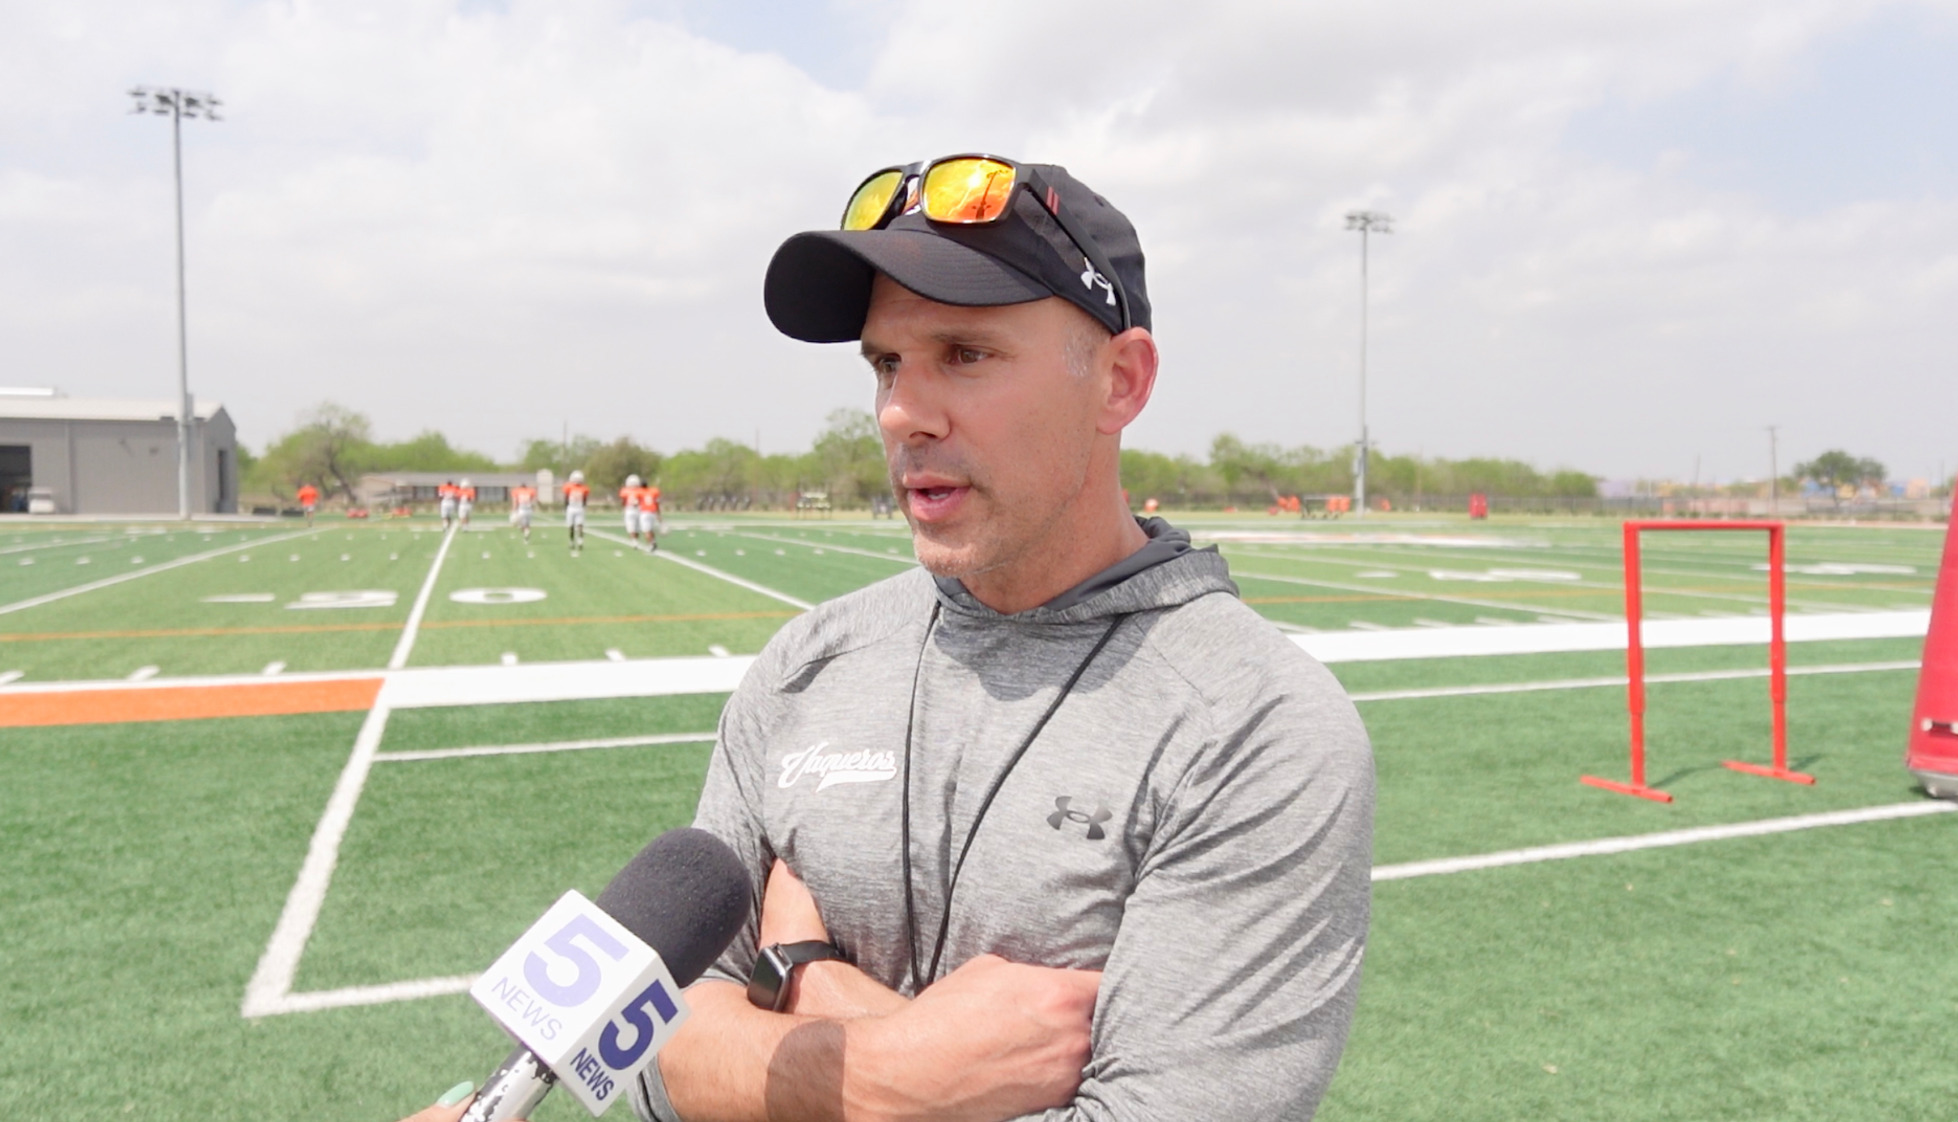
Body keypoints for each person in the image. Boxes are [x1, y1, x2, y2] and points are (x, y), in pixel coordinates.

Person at [631, 156, 1375, 1122]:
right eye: (887, 364)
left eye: (966, 355)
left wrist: (796, 989)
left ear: (1120, 381)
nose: (904, 412)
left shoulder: (1256, 726)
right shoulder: (808, 663)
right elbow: (647, 1055)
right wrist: (894, 1075)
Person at [563, 469, 590, 555]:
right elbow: (566, 497)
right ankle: (571, 540)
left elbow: (585, 499)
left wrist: (583, 506)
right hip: (571, 508)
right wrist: (566, 506)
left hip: (579, 508)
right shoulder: (568, 487)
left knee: (580, 525)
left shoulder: (584, 488)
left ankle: (580, 540)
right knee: (571, 526)